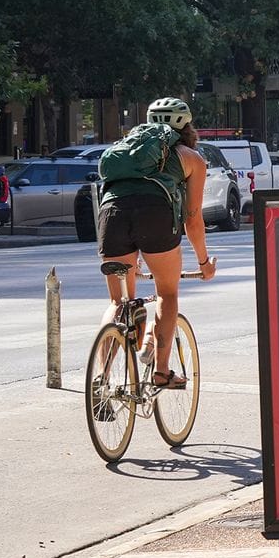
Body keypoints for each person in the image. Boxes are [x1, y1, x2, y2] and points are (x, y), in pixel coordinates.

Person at [97, 98, 216, 387]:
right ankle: (162, 372)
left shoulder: (125, 150)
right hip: (155, 215)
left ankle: (101, 378)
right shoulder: (190, 157)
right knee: (167, 293)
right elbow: (193, 221)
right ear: (187, 125)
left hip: (111, 215)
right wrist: (204, 262)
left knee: (118, 301)